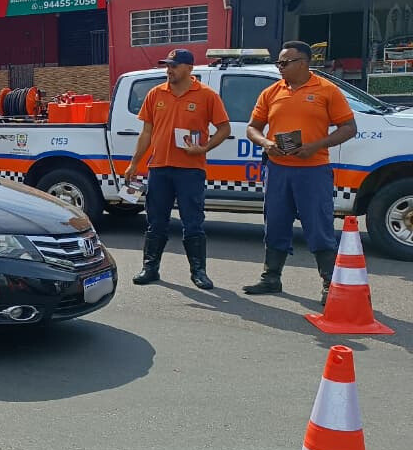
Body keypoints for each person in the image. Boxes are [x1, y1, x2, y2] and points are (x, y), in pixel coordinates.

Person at [243, 41, 357, 304]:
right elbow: (253, 127)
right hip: (278, 170)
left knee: (319, 226)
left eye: (284, 63)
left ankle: (330, 283)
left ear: (303, 63)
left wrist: (316, 146)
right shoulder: (271, 92)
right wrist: (267, 143)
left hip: (313, 170)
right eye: (279, 63)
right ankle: (271, 277)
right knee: (276, 223)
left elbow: (349, 127)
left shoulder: (327, 90)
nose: (279, 68)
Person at [123, 49, 231, 289]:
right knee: (156, 222)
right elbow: (147, 133)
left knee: (193, 222)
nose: (168, 70)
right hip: (159, 168)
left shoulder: (206, 96)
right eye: (167, 65)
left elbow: (224, 128)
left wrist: (204, 147)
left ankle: (198, 272)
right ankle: (150, 268)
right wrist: (134, 163)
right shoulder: (155, 94)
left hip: (190, 170)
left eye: (174, 65)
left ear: (189, 69)